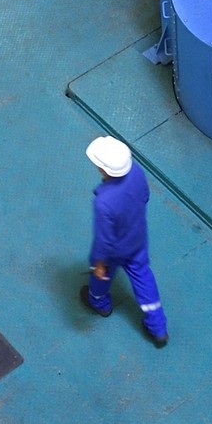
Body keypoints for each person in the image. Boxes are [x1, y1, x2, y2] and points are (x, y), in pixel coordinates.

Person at [81, 136, 168, 346]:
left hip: (114, 251)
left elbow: (104, 239)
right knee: (143, 276)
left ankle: (99, 302)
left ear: (104, 170)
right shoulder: (137, 172)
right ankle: (158, 326)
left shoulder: (104, 202)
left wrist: (100, 263)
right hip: (137, 237)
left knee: (101, 277)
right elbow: (145, 197)